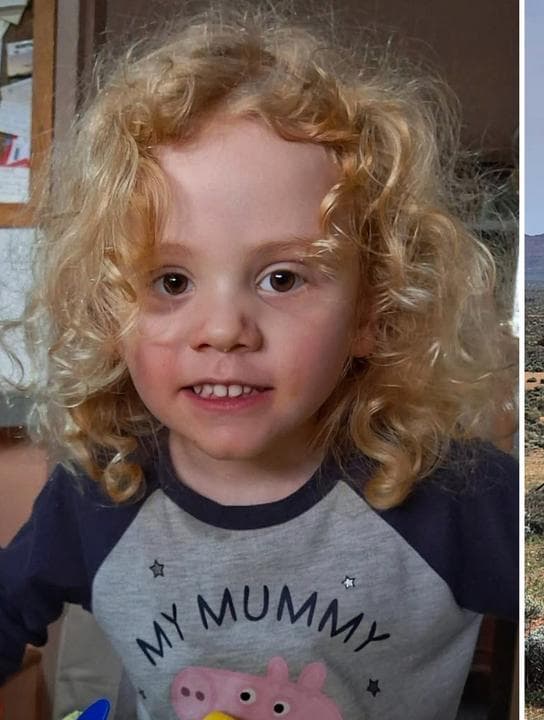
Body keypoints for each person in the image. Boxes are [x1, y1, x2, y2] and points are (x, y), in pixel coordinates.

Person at [0, 9, 516, 720]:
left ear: (373, 309)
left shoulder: (456, 497)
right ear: (108, 310)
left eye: (282, 278)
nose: (223, 331)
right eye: (170, 281)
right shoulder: (96, 493)